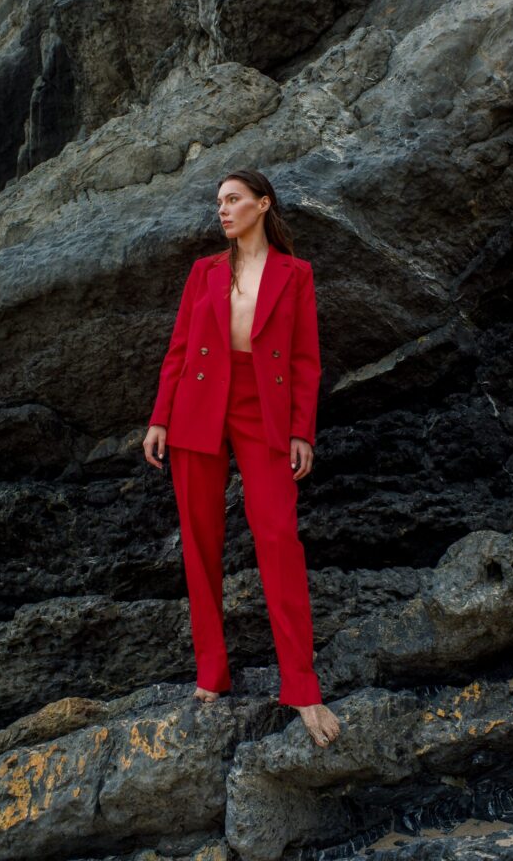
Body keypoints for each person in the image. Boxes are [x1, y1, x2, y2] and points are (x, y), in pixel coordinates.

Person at [143, 168, 341, 748]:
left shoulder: (295, 273)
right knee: (200, 539)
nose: (222, 210)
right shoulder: (204, 271)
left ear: (263, 204)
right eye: (219, 203)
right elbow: (179, 348)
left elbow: (306, 358)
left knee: (278, 536)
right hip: (199, 404)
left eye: (233, 200)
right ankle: (212, 675)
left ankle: (302, 688)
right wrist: (159, 417)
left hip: (265, 409)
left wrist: (302, 430)